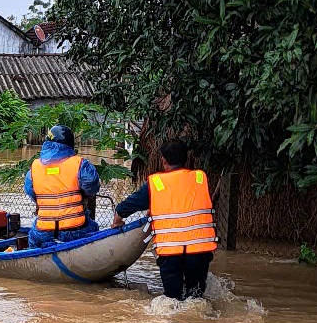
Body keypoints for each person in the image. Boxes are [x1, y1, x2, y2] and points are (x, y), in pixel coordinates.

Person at [111, 139, 218, 300]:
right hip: (200, 251)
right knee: (196, 298)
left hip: (170, 253)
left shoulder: (156, 183)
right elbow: (185, 202)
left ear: (163, 160)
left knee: (172, 300)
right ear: (186, 159)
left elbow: (129, 205)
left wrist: (118, 218)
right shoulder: (200, 178)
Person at [24, 125, 102, 248]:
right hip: (76, 230)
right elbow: (92, 186)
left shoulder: (34, 168)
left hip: (43, 231)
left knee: (33, 237)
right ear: (70, 144)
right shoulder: (80, 164)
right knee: (93, 227)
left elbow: (30, 192)